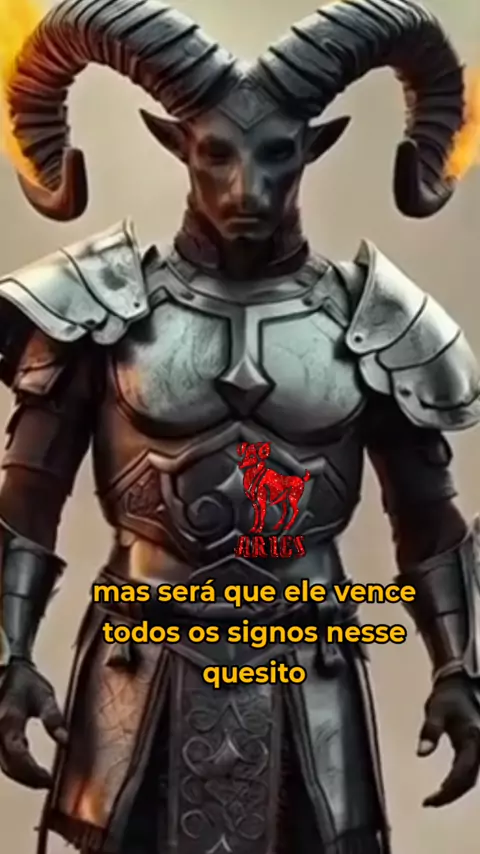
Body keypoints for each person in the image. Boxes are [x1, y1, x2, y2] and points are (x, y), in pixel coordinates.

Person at [0, 0, 480, 852]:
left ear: (311, 149)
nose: (246, 187)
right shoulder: (98, 308)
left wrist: (458, 667)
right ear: (180, 146)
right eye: (217, 153)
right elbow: (25, 501)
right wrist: (9, 655)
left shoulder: (375, 320)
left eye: (277, 153)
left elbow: (426, 515)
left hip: (310, 678)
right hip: (135, 672)